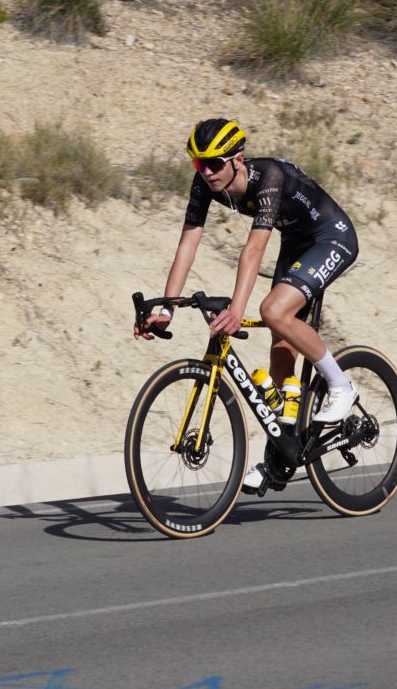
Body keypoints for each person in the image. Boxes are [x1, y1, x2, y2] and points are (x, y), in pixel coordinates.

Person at [136, 117, 360, 490]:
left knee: (272, 311)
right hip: (296, 242)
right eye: (199, 163)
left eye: (214, 163)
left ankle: (341, 385)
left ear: (238, 159)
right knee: (281, 352)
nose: (206, 172)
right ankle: (282, 456)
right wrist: (166, 309)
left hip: (331, 237)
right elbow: (188, 244)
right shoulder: (204, 183)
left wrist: (237, 310)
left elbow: (254, 249)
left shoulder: (268, 176)